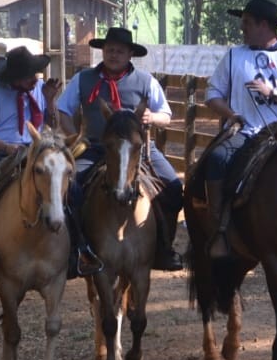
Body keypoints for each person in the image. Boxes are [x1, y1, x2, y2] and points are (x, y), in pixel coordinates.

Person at [56, 27, 185, 271]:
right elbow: (63, 109)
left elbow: (166, 115)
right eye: (109, 50)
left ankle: (163, 248)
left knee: (173, 188)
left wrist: (152, 117)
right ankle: (78, 249)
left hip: (139, 149)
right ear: (102, 51)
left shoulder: (146, 81)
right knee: (70, 189)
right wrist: (74, 137)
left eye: (120, 51)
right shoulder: (83, 79)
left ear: (129, 55)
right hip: (95, 147)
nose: (113, 55)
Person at [201, 0, 277, 258]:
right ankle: (218, 229)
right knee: (217, 159)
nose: (242, 29)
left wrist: (273, 92)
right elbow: (212, 94)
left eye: (247, 23)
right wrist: (231, 114)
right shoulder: (233, 56)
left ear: (264, 25)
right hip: (246, 131)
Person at [0, 45, 57, 206]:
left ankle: (74, 226)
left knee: (68, 186)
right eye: (27, 76)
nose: (34, 79)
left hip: (35, 149)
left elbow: (53, 124)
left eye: (35, 74)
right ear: (15, 77)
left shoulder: (40, 87)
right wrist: (6, 147)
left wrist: (50, 101)